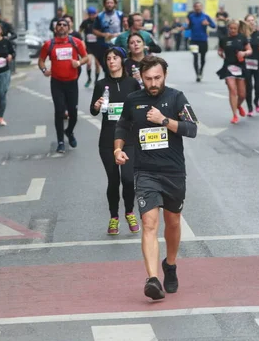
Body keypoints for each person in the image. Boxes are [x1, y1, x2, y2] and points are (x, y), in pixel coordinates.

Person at [114, 55, 198, 300]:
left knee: (172, 222)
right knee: (150, 224)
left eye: (157, 78)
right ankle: (152, 279)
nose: (153, 83)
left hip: (173, 172)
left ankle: (169, 265)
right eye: (148, 78)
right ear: (140, 77)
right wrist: (118, 149)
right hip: (145, 172)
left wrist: (164, 120)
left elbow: (192, 128)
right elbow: (122, 126)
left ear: (165, 75)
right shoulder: (133, 100)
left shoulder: (176, 97)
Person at [90, 47, 141, 235]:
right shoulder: (101, 84)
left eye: (115, 58)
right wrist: (96, 106)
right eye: (109, 58)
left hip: (129, 138)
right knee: (113, 180)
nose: (112, 61)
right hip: (108, 139)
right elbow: (94, 111)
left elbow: (140, 107)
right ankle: (114, 217)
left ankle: (129, 211)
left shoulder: (131, 84)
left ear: (122, 61)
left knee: (128, 179)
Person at [38, 17, 89, 154]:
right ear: (55, 29)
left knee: (73, 114)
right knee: (59, 111)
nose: (61, 26)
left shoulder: (75, 42)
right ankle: (60, 141)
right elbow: (41, 60)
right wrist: (44, 70)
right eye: (58, 25)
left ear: (68, 28)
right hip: (57, 83)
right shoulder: (49, 44)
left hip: (72, 83)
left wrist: (78, 63)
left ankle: (69, 131)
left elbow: (86, 57)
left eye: (64, 25)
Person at [217, 20, 252, 124]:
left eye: (234, 28)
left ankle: (238, 105)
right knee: (232, 90)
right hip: (228, 66)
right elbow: (220, 49)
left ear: (238, 29)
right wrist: (220, 53)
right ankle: (234, 115)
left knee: (242, 95)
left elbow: (250, 50)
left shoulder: (242, 38)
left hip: (240, 67)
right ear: (228, 28)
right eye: (230, 28)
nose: (232, 30)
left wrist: (244, 53)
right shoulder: (224, 39)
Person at [93, 0, 125, 74]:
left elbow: (125, 27)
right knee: (106, 67)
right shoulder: (100, 16)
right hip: (104, 45)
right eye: (107, 3)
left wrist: (120, 34)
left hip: (118, 44)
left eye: (111, 3)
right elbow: (94, 30)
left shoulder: (120, 14)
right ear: (104, 4)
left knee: (118, 66)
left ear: (115, 4)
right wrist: (103, 34)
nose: (109, 5)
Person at [243, 14, 259, 116]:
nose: (251, 22)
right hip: (246, 64)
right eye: (249, 21)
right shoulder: (243, 35)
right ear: (245, 23)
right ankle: (250, 108)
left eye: (253, 20)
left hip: (258, 63)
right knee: (248, 87)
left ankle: (256, 101)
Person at [187, 2, 216, 82]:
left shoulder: (205, 16)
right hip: (194, 40)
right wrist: (185, 26)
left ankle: (201, 70)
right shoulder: (191, 17)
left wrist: (208, 23)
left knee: (203, 58)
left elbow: (214, 26)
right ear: (194, 8)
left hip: (203, 40)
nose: (198, 8)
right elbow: (188, 27)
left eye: (199, 7)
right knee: (195, 57)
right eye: (196, 7)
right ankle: (198, 74)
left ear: (202, 7)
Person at [79, 6, 102, 87]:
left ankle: (96, 80)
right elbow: (79, 31)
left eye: (94, 14)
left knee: (97, 64)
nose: (92, 16)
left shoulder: (99, 21)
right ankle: (89, 79)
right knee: (88, 63)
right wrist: (81, 40)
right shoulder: (85, 22)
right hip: (88, 46)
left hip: (98, 46)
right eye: (91, 14)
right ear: (89, 15)